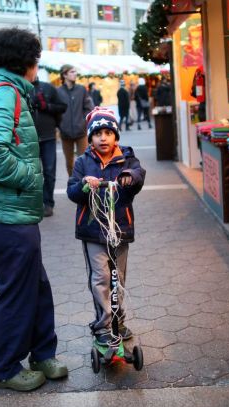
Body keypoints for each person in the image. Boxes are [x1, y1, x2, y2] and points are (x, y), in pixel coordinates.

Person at [0, 27, 67, 392]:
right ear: (26, 62)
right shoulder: (4, 94)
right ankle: (6, 368)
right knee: (17, 292)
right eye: (36, 59)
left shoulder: (7, 91)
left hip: (13, 212)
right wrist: (30, 178)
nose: (37, 66)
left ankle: (42, 353)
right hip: (4, 213)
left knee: (37, 286)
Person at [66, 107, 145, 347]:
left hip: (119, 229)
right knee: (100, 277)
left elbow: (139, 175)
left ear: (116, 136)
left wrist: (130, 176)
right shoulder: (82, 162)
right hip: (92, 232)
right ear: (90, 137)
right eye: (97, 133)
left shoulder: (127, 158)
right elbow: (71, 191)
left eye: (108, 132)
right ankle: (103, 324)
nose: (103, 137)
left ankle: (118, 322)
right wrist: (83, 185)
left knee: (117, 277)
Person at [31, 78, 67, 217]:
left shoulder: (48, 87)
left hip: (48, 137)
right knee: (33, 173)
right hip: (29, 139)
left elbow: (62, 107)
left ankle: (48, 203)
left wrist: (47, 106)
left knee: (49, 172)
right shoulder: (20, 88)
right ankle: (35, 204)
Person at [57, 64, 94, 176]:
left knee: (84, 160)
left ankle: (85, 184)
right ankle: (73, 183)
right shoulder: (58, 91)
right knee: (69, 163)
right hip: (65, 133)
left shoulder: (81, 89)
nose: (75, 74)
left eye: (75, 71)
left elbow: (88, 108)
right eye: (72, 72)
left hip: (81, 132)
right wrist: (60, 126)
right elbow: (56, 111)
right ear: (64, 75)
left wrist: (83, 123)